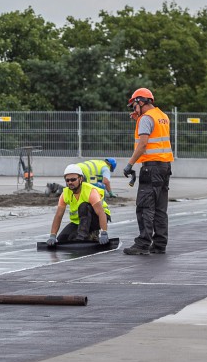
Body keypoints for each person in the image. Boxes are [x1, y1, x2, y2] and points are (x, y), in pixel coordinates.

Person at [121, 88, 173, 255]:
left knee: (144, 207)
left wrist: (130, 164)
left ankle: (143, 243)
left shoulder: (145, 119)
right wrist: (138, 119)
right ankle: (159, 244)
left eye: (134, 105)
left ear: (141, 102)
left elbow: (143, 144)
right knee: (160, 208)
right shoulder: (162, 116)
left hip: (151, 168)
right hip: (165, 167)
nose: (133, 109)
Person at [47, 164, 111, 247]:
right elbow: (58, 216)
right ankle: (86, 235)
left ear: (80, 179)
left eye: (73, 179)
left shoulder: (90, 191)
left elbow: (101, 213)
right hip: (81, 222)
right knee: (62, 239)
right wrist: (53, 235)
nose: (70, 182)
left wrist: (104, 233)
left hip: (97, 220)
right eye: (67, 180)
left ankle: (87, 235)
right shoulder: (65, 193)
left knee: (83, 206)